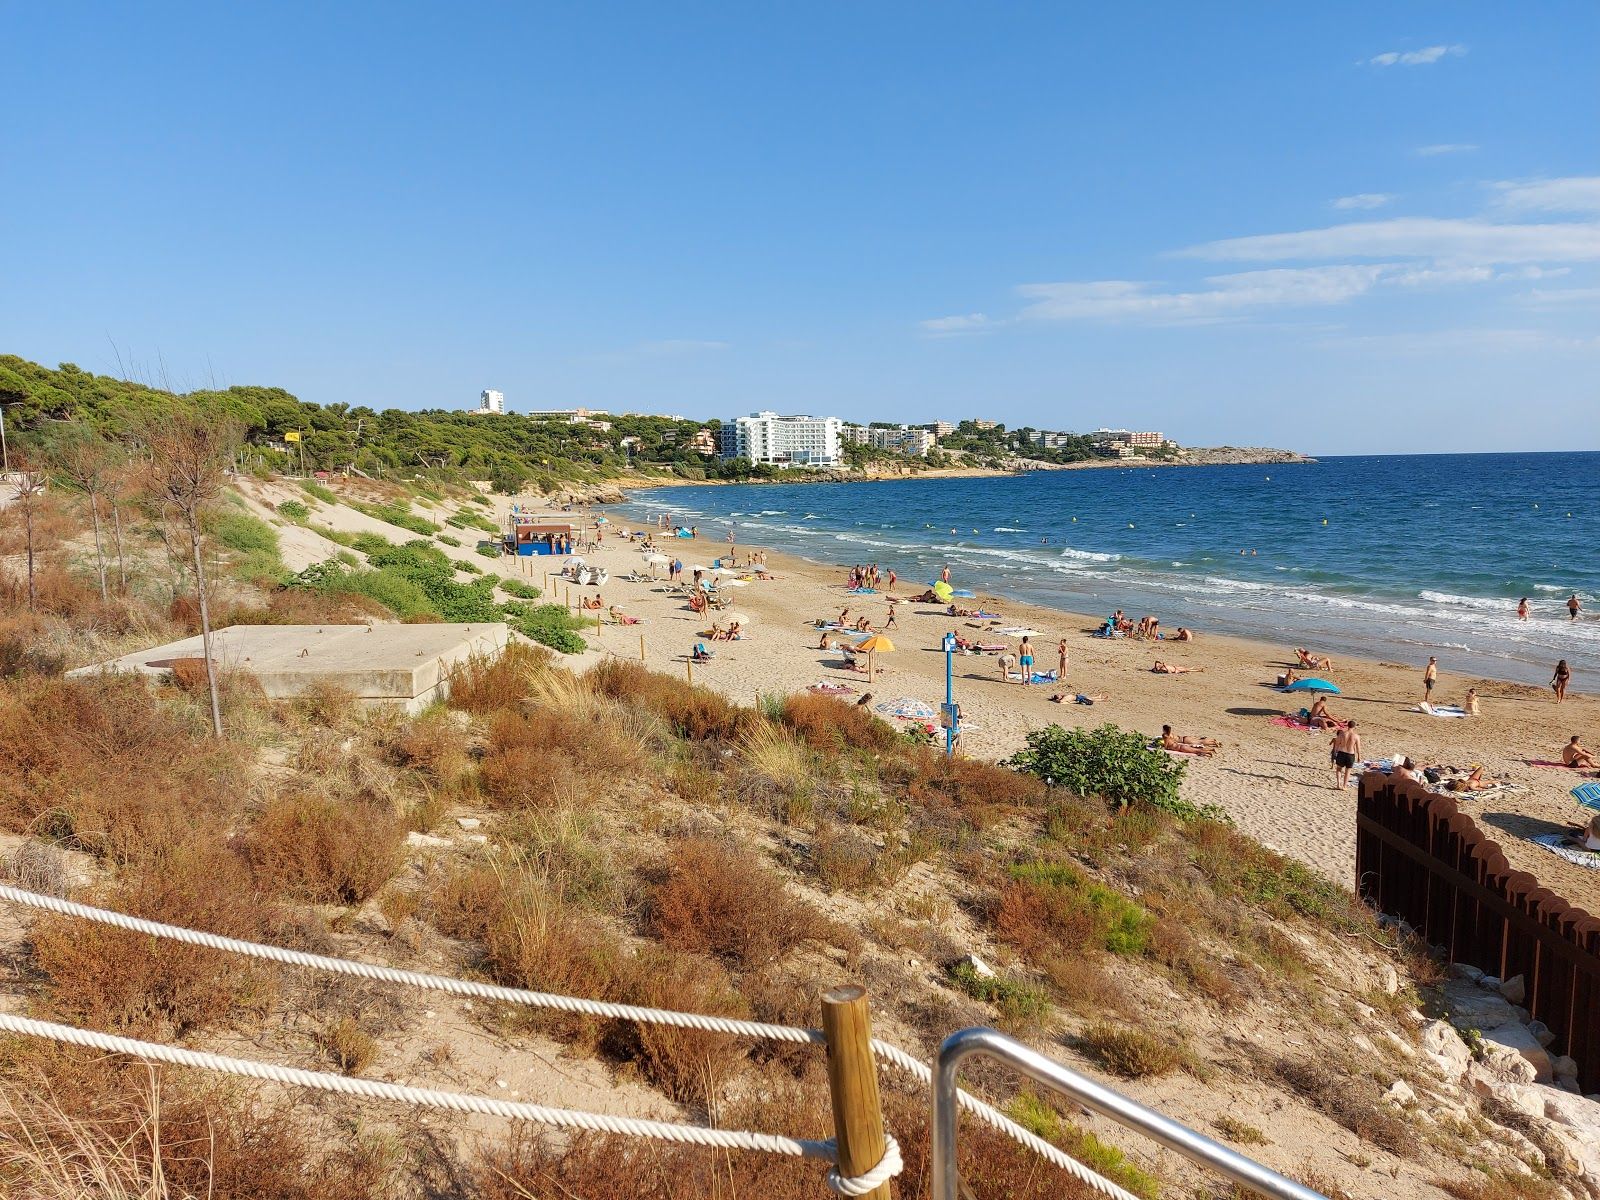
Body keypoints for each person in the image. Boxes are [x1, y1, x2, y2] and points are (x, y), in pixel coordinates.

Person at [1331, 720, 1362, 789]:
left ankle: (1338, 784)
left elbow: (1337, 743)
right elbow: (1358, 747)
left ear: (1347, 725)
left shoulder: (1342, 734)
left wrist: (1335, 752)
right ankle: (1344, 786)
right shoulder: (1356, 736)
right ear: (1354, 727)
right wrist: (1359, 756)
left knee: (1339, 769)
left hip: (1341, 752)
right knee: (1348, 771)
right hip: (1350, 754)